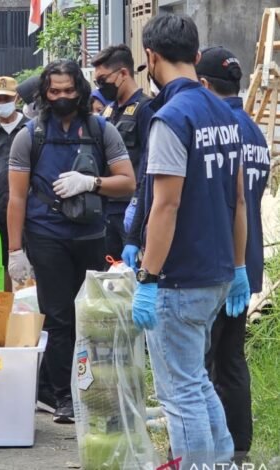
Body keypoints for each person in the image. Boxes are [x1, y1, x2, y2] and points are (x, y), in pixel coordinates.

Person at [131, 15, 249, 468]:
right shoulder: (224, 111)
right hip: (218, 273)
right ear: (197, 57)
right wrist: (237, 266)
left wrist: (148, 277)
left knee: (179, 393)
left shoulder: (171, 118)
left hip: (179, 279)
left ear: (151, 57)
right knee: (198, 382)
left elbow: (165, 206)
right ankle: (220, 463)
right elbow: (239, 200)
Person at [7, 59, 135, 423]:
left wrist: (91, 182)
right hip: (46, 234)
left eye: (68, 90)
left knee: (92, 318)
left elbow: (127, 181)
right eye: (54, 91)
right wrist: (15, 251)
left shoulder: (100, 130)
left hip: (91, 234)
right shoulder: (30, 135)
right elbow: (16, 197)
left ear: (80, 90)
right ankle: (63, 397)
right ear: (45, 94)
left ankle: (93, 390)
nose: (62, 97)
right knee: (59, 318)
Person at [197, 46, 270, 462]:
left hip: (218, 265)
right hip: (247, 263)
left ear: (204, 85)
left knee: (203, 364)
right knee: (231, 360)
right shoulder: (255, 132)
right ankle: (239, 446)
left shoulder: (220, 129)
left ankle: (209, 448)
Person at [91, 44, 154, 263]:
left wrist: (138, 203)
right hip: (106, 208)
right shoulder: (108, 110)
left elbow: (150, 161)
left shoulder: (145, 108)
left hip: (131, 209)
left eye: (103, 80)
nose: (100, 86)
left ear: (123, 74)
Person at [0, 76, 28, 289]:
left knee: (32, 267)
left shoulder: (31, 129)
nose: (2, 102)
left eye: (7, 98)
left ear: (17, 98)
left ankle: (30, 316)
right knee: (0, 265)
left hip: (29, 208)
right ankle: (5, 315)